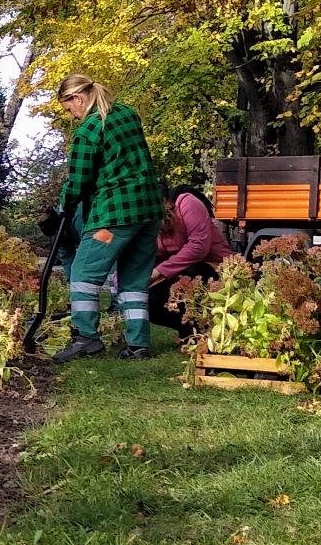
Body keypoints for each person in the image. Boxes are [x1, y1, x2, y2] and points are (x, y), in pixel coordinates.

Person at [53, 73, 163, 361]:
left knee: (83, 274)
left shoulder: (89, 131)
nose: (72, 116)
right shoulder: (127, 113)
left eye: (69, 109)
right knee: (134, 280)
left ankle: (85, 337)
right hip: (149, 212)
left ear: (77, 98)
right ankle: (138, 344)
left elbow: (78, 182)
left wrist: (63, 206)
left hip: (113, 217)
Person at [149, 184, 232, 334]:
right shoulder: (148, 222)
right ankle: (188, 330)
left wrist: (158, 271)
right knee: (149, 299)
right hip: (178, 270)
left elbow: (199, 247)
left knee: (193, 275)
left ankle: (205, 329)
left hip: (215, 267)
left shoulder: (187, 203)